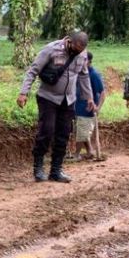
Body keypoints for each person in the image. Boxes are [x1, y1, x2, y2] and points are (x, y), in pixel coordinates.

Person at [17, 31, 95, 183]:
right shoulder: (51, 49)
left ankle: (56, 170)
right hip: (48, 97)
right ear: (70, 42)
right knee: (46, 131)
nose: (76, 52)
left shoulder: (82, 54)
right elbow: (33, 70)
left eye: (80, 50)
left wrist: (89, 97)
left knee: (63, 134)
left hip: (69, 99)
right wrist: (23, 92)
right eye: (75, 49)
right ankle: (38, 168)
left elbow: (84, 76)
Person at [72, 51, 106, 161]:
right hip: (78, 107)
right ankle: (90, 151)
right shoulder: (79, 73)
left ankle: (76, 154)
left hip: (87, 109)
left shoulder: (94, 75)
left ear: (89, 61)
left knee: (82, 132)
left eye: (83, 60)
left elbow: (102, 93)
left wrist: (98, 107)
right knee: (81, 131)